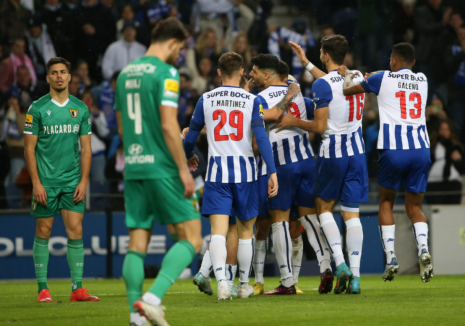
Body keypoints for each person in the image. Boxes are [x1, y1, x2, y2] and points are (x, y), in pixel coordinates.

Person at [115, 17, 203, 326]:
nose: (179, 55)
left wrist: (137, 153)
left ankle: (134, 318)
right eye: (179, 48)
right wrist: (183, 169)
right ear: (172, 42)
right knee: (192, 239)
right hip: (161, 167)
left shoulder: (125, 74)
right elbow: (168, 124)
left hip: (134, 166)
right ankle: (152, 299)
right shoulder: (166, 72)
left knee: (137, 243)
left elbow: (122, 128)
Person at [183, 51, 278, 300]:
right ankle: (244, 285)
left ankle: (223, 284)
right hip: (246, 175)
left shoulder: (206, 99)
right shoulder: (252, 100)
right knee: (246, 232)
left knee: (217, 232)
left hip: (217, 174)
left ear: (218, 73)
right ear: (241, 72)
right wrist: (272, 171)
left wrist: (189, 155)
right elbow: (261, 138)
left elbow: (190, 137)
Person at [339, 42, 434, 283]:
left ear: (392, 60)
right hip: (421, 149)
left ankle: (391, 256)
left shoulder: (381, 78)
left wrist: (348, 75)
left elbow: (348, 90)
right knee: (415, 208)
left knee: (386, 203)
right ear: (413, 63)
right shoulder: (423, 79)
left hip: (394, 149)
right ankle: (423, 249)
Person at [281, 35, 367, 294]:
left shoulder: (321, 86)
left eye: (320, 52)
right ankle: (357, 276)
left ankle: (340, 265)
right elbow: (332, 81)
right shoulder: (357, 75)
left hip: (334, 152)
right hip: (358, 152)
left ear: (326, 55)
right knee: (352, 214)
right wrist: (306, 63)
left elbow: (319, 127)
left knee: (324, 208)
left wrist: (292, 121)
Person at [249, 55, 330, 295]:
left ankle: (286, 281)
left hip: (281, 166)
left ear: (267, 74)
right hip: (307, 162)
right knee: (309, 219)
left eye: (254, 71)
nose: (251, 75)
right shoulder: (299, 94)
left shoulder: (259, 99)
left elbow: (271, 117)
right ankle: (325, 265)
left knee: (280, 222)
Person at [23, 57, 98, 303]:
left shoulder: (81, 108)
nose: (59, 76)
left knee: (76, 230)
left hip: (72, 181)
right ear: (47, 78)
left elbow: (86, 149)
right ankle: (42, 288)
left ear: (69, 77)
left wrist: (84, 180)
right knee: (43, 231)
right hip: (45, 182)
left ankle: (77, 289)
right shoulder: (36, 109)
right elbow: (28, 149)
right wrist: (36, 182)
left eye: (63, 72)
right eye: (54, 72)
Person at [426, 119, 465, 205]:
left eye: (446, 129)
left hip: (452, 183)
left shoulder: (457, 147)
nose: (444, 132)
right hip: (434, 183)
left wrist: (458, 160)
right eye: (442, 129)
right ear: (437, 131)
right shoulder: (431, 145)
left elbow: (464, 170)